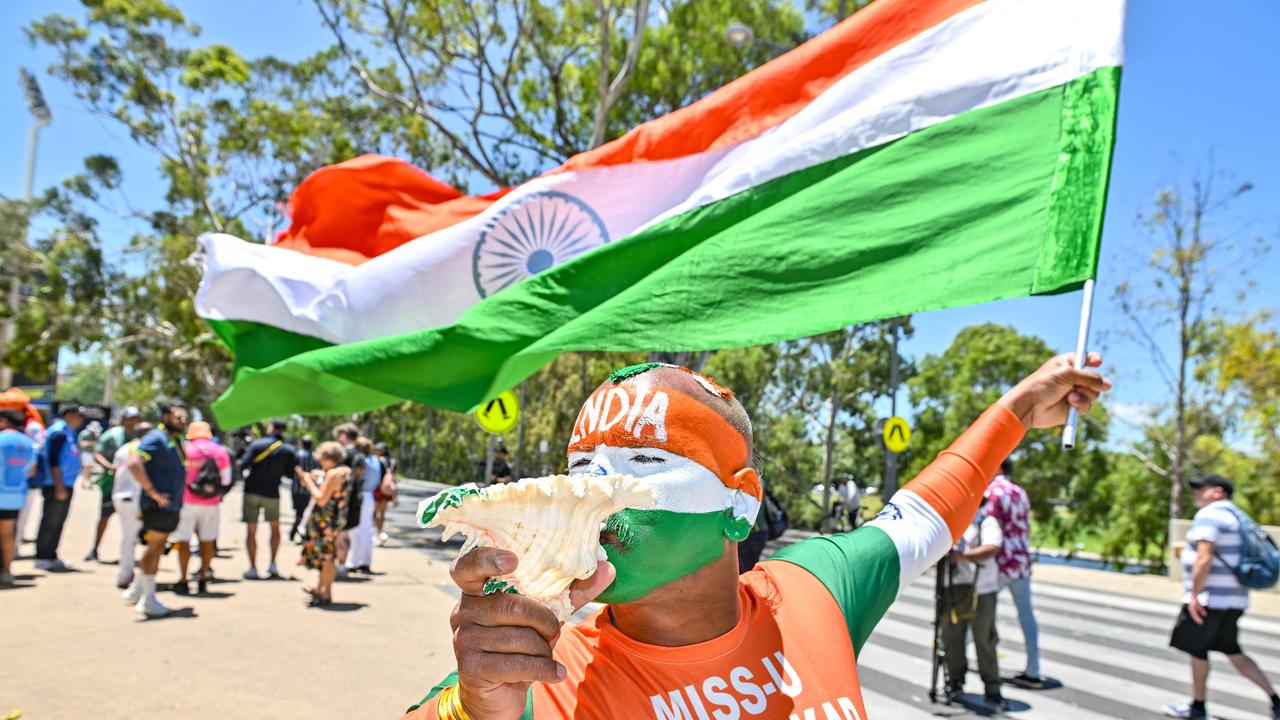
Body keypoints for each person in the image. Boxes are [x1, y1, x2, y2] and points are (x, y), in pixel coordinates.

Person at [403, 354, 1110, 719]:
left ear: (740, 504)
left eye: (645, 461)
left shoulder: (814, 590)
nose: (598, 490)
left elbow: (926, 511)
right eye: (582, 468)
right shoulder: (533, 675)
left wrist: (1019, 406)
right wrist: (481, 706)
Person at [1163, 474, 1280, 720]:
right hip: (1234, 599)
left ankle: (1197, 706)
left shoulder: (1210, 515)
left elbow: (1204, 558)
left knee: (1197, 650)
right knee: (1233, 651)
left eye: (1201, 489)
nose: (1196, 493)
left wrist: (1194, 595)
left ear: (1218, 492)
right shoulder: (1239, 517)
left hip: (1209, 600)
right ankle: (1275, 700)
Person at [119, 402, 189, 618]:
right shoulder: (157, 438)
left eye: (184, 417)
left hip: (170, 505)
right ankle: (148, 598)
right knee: (155, 548)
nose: (182, 421)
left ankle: (138, 589)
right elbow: (133, 463)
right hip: (159, 507)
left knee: (156, 546)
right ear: (167, 416)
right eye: (178, 417)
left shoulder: (172, 440)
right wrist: (152, 492)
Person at [983, 457, 1043, 688]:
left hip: (1000, 561)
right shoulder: (1020, 492)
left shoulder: (993, 492)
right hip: (1021, 560)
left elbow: (989, 528)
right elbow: (1025, 527)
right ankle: (1033, 668)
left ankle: (958, 656)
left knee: (980, 610)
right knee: (1026, 615)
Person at [942, 506, 1005, 709]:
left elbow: (992, 547)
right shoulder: (950, 518)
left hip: (981, 589)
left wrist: (961, 556)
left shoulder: (985, 520)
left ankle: (992, 688)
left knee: (984, 639)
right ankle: (954, 680)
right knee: (952, 637)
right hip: (952, 586)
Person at [171, 421, 233, 595]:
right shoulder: (220, 451)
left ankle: (183, 579)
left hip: (187, 502)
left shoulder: (185, 449)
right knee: (207, 541)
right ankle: (203, 578)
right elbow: (226, 480)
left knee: (183, 540)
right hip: (211, 503)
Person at [238, 419, 296, 579]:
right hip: (272, 492)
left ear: (271, 428)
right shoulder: (288, 450)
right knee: (275, 528)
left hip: (252, 491)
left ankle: (253, 568)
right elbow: (290, 474)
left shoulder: (257, 445)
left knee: (251, 529)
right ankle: (272, 564)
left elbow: (243, 464)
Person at [84, 406, 141, 563]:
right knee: (104, 516)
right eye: (130, 419)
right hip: (111, 484)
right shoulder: (112, 435)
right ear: (123, 419)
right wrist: (109, 467)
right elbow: (97, 453)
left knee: (134, 522)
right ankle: (94, 549)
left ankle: (128, 554)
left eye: (135, 419)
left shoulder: (140, 437)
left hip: (134, 486)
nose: (132, 422)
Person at [298, 441, 350, 607]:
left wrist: (309, 482)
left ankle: (325, 593)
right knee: (326, 557)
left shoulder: (333, 474)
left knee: (327, 558)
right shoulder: (342, 472)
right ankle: (321, 590)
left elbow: (321, 499)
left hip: (326, 522)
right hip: (331, 521)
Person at [34, 405, 85, 571]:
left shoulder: (68, 433)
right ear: (69, 415)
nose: (81, 420)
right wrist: (59, 486)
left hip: (64, 484)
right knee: (51, 521)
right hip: (56, 485)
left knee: (58, 522)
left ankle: (51, 555)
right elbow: (53, 461)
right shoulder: (59, 433)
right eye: (79, 416)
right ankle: (42, 556)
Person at [112, 422, 153, 590]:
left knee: (130, 537)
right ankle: (127, 576)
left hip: (121, 497)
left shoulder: (123, 448)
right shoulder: (145, 449)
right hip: (134, 499)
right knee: (134, 539)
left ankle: (130, 575)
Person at [0, 409, 37, 585]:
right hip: (16, 496)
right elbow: (32, 470)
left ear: (4, 421)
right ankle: (7, 571)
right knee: (8, 534)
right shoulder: (28, 443)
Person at [333, 422, 365, 577]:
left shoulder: (342, 454)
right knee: (346, 534)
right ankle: (342, 565)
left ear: (345, 435)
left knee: (339, 534)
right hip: (356, 499)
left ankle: (338, 564)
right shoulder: (360, 455)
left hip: (341, 500)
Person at [346, 436, 380, 574]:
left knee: (356, 530)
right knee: (367, 530)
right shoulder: (375, 461)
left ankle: (353, 562)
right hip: (370, 496)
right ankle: (366, 561)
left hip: (360, 495)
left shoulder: (361, 460)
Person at [290, 435, 319, 543]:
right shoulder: (315, 456)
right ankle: (298, 533)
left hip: (297, 489)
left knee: (299, 512)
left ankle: (295, 533)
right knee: (304, 512)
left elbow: (294, 469)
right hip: (310, 490)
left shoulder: (297, 454)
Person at [372, 441, 398, 546]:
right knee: (382, 513)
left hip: (378, 488)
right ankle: (380, 531)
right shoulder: (393, 461)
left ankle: (377, 533)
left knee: (374, 512)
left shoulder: (377, 460)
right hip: (387, 489)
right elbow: (393, 476)